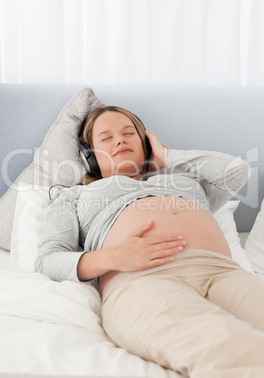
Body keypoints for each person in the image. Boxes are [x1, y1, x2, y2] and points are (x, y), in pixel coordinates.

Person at [35, 106, 264, 378]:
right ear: (91, 158)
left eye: (129, 133)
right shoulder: (74, 197)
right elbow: (48, 259)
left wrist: (167, 157)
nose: (120, 140)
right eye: (106, 138)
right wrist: (112, 258)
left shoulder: (183, 180)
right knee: (230, 349)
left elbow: (235, 171)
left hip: (221, 272)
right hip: (142, 281)